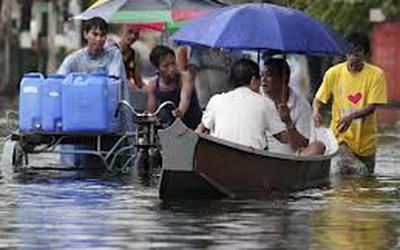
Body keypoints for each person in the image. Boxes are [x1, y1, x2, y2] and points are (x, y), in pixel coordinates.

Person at [57, 17, 130, 167]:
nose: (98, 39)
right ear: (85, 35)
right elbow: (58, 81)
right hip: (78, 118)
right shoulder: (73, 59)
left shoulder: (113, 55)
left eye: (102, 35)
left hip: (106, 118)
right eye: (94, 34)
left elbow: (113, 82)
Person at [312, 32, 388, 174]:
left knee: (365, 183)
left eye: (358, 50)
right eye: (350, 50)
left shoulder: (376, 75)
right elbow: (318, 99)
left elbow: (372, 107)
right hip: (340, 139)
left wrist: (351, 117)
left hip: (366, 144)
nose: (354, 54)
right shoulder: (333, 73)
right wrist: (316, 112)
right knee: (356, 174)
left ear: (364, 53)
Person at [195, 58, 287, 150]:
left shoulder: (216, 100)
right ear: (253, 80)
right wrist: (288, 121)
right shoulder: (265, 103)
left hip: (220, 158)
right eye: (260, 78)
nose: (261, 84)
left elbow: (201, 129)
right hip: (253, 161)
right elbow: (284, 139)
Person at [261, 58, 325, 156]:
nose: (263, 79)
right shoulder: (256, 97)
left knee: (318, 146)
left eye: (268, 75)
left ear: (284, 78)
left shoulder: (302, 105)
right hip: (259, 154)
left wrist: (288, 122)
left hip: (290, 160)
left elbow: (301, 145)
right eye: (262, 75)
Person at [147, 45, 202, 130]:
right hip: (172, 127)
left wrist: (180, 111)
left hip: (194, 125)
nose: (171, 68)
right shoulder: (153, 84)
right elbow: (152, 113)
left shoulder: (185, 77)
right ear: (156, 68)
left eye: (173, 63)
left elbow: (185, 98)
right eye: (165, 66)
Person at [187, 45, 242, 109]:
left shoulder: (234, 47)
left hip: (227, 96)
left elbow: (239, 67)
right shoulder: (198, 47)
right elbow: (192, 68)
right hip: (205, 97)